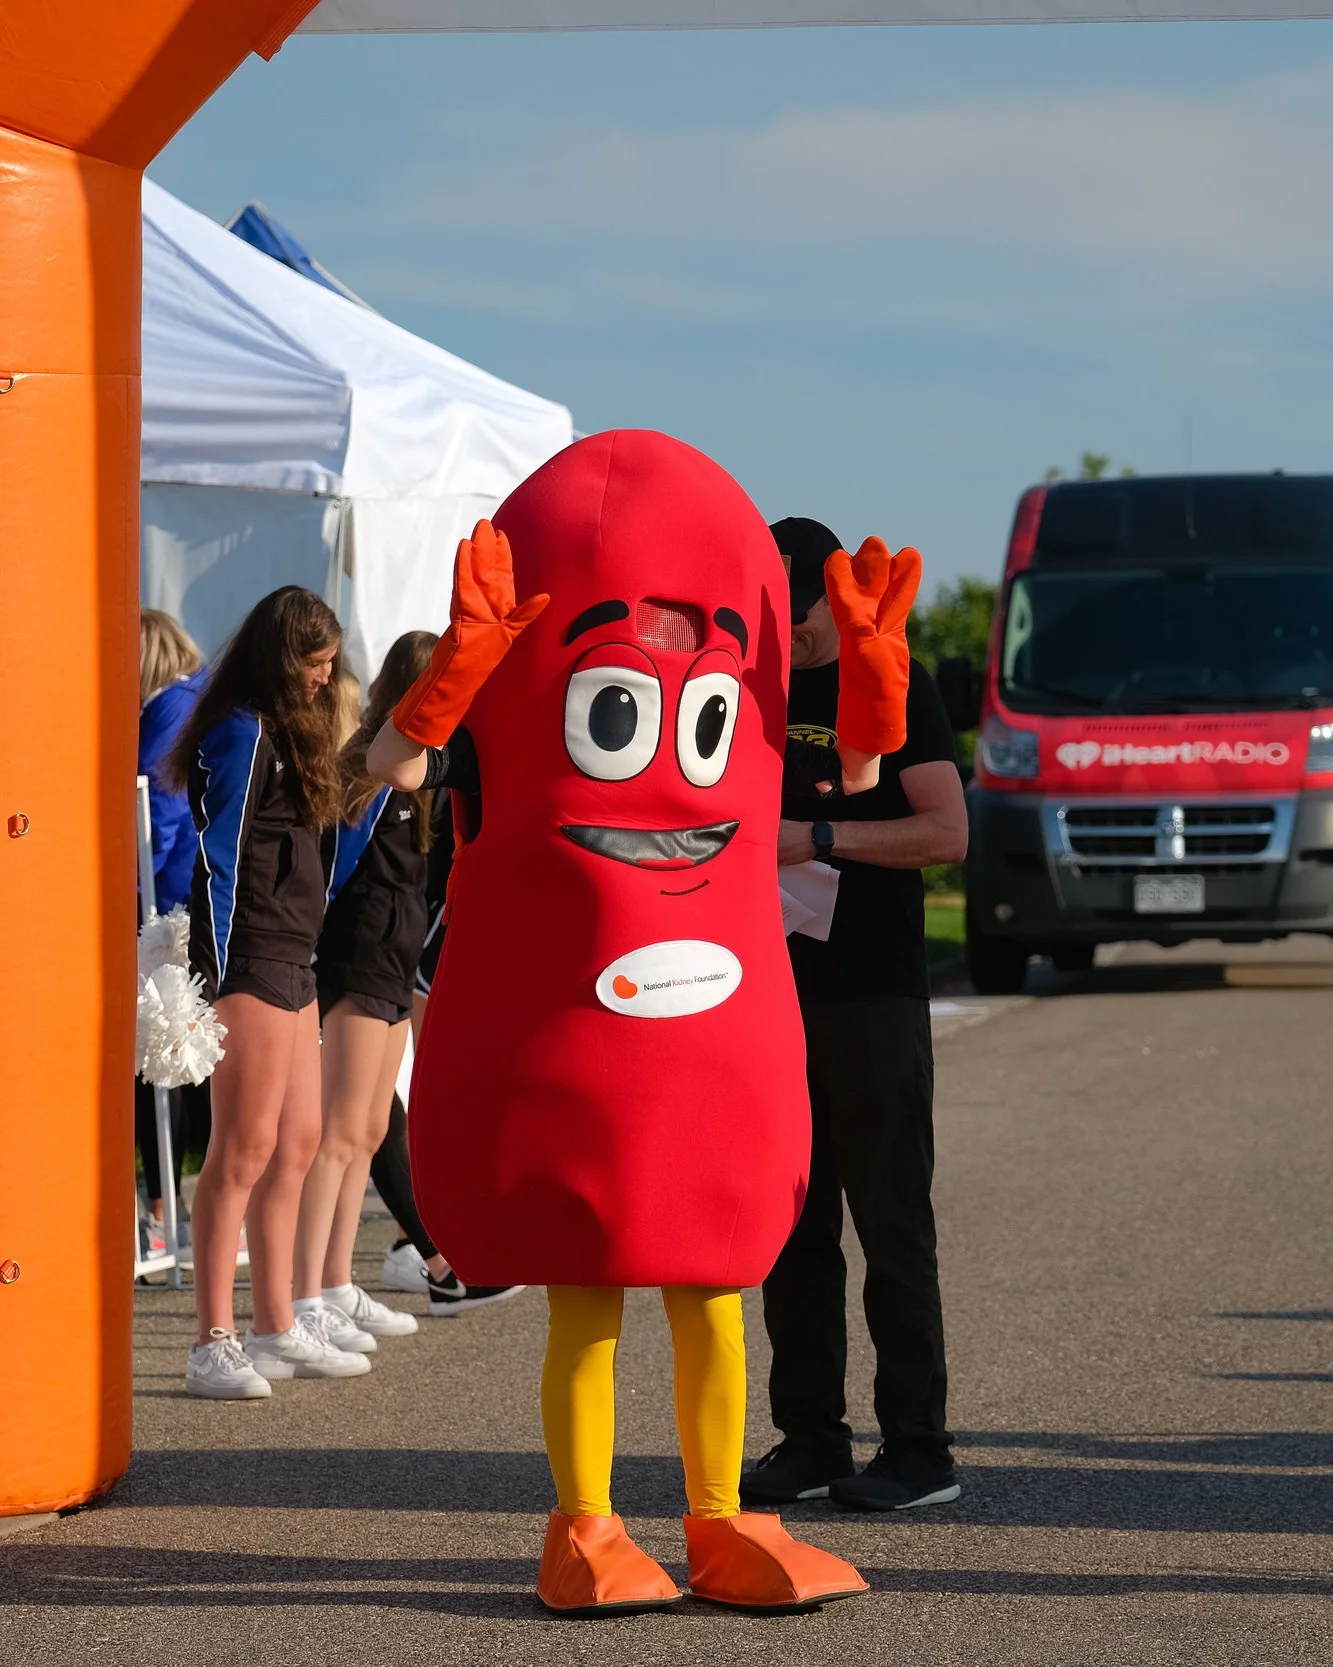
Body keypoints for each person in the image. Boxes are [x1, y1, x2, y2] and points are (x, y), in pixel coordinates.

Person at [366, 434, 914, 1614]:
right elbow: (391, 765)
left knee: (714, 1285)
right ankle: (586, 1522)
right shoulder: (502, 676)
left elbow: (860, 778)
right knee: (588, 1290)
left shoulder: (758, 681)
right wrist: (455, 674)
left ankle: (716, 1520)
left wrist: (870, 687)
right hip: (576, 1030)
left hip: (708, 1036)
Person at [741, 516, 969, 1513]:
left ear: (829, 596)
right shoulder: (755, 690)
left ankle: (920, 1447)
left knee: (889, 1220)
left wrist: (817, 835)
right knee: (788, 1228)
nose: (777, 628)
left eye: (788, 607)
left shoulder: (890, 678)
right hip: (770, 990)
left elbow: (946, 830)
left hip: (872, 988)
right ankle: (812, 1435)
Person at [169, 586, 370, 1399]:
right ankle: (211, 1337)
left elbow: (328, 856)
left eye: (330, 663)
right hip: (247, 955)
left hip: (296, 955)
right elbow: (216, 858)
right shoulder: (241, 730)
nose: (326, 678)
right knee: (244, 1146)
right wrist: (211, 980)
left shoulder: (296, 733)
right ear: (283, 659)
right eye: (316, 663)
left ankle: (276, 1321)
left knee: (298, 1139)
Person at [290, 634, 444, 1347]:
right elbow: (331, 868)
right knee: (340, 1131)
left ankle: (335, 1282)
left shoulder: (421, 773)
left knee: (372, 1129)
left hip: (393, 958)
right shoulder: (370, 765)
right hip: (354, 958)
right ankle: (305, 1293)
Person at [377, 784, 526, 1317]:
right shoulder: (423, 763)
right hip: (420, 934)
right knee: (417, 1099)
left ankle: (431, 1241)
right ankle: (415, 1244)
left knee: (401, 1108)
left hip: (431, 929)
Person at [135, 611, 211, 1251]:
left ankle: (164, 1211)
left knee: (165, 1061)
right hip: (196, 898)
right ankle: (179, 1210)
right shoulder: (201, 697)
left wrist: (131, 886)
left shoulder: (167, 710)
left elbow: (155, 815)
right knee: (191, 1060)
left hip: (167, 906)